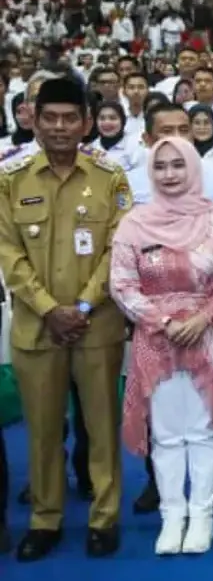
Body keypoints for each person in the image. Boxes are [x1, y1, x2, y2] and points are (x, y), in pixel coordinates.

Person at [0, 76, 134, 561]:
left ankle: (104, 517)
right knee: (42, 431)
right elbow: (7, 253)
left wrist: (78, 307)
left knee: (101, 426)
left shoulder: (111, 178)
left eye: (69, 118)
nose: (59, 127)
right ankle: (45, 518)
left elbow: (118, 247)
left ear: (86, 123)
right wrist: (47, 308)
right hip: (36, 328)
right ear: (33, 120)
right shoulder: (9, 179)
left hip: (95, 326)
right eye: (49, 117)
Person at [110, 136, 213, 555]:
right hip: (156, 341)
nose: (170, 175)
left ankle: (202, 516)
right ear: (150, 172)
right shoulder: (134, 224)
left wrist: (205, 317)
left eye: (178, 165)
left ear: (193, 169)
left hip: (206, 337)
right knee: (167, 434)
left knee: (205, 432)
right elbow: (121, 283)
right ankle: (172, 517)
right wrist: (164, 321)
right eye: (160, 167)